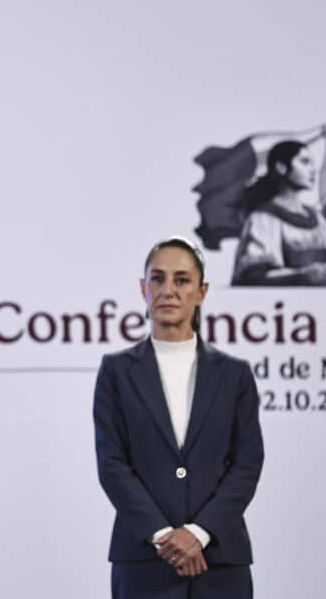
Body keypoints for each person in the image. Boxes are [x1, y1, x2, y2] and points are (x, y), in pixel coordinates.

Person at [94, 236, 264, 598]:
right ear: (143, 288)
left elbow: (247, 464)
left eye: (181, 280)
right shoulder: (116, 372)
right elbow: (112, 464)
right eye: (157, 279)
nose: (168, 290)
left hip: (219, 560)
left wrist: (199, 533)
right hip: (143, 561)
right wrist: (164, 537)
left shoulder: (235, 375)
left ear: (202, 291)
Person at [231, 139, 326, 285]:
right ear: (281, 167)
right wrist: (302, 276)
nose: (313, 170)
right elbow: (255, 277)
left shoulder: (315, 217)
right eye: (304, 162)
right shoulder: (263, 218)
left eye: (312, 163)